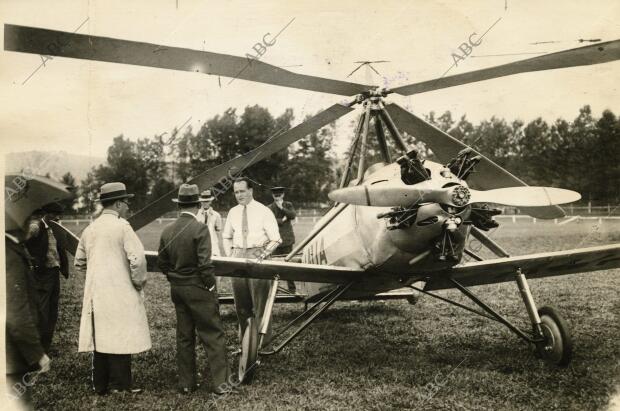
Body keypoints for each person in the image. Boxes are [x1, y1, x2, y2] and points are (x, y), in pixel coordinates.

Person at [74, 182, 151, 395]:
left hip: (96, 294)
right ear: (118, 204)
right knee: (120, 335)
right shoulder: (123, 227)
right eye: (126, 202)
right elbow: (138, 259)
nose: (127, 207)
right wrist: (137, 282)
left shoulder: (90, 229)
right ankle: (120, 385)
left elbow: (79, 262)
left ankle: (100, 384)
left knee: (101, 337)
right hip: (120, 291)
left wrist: (94, 279)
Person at [157, 184, 231, 395]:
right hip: (198, 287)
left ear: (179, 205)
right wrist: (210, 285)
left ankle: (187, 383)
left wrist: (173, 277)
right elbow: (205, 265)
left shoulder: (167, 230)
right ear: (199, 205)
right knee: (212, 334)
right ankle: (221, 384)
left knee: (184, 336)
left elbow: (162, 262)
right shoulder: (200, 228)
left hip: (178, 288)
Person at [222, 177, 281, 343]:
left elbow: (276, 239)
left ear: (251, 191)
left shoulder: (264, 211)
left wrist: (261, 256)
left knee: (261, 306)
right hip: (238, 259)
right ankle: (245, 345)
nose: (239, 195)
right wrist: (230, 256)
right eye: (236, 192)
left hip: (258, 258)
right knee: (241, 306)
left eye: (242, 191)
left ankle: (264, 346)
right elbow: (226, 236)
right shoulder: (233, 212)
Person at [6, 228, 51, 407]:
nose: (34, 226)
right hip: (10, 359)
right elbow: (16, 315)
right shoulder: (10, 254)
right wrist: (37, 354)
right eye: (31, 218)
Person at [25, 202, 70, 353]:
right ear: (47, 214)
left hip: (54, 273)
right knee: (42, 311)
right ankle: (37, 349)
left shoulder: (56, 228)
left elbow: (60, 249)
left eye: (59, 215)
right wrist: (32, 263)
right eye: (55, 215)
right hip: (42, 274)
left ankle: (46, 347)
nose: (57, 218)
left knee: (52, 310)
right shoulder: (36, 227)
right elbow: (20, 244)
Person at [267, 186, 298, 293]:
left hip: (287, 240)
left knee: (289, 265)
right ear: (272, 196)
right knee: (274, 266)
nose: (278, 197)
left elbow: (293, 215)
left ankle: (292, 289)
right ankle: (275, 290)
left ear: (283, 195)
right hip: (275, 240)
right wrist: (282, 220)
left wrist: (281, 208)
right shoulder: (269, 207)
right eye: (275, 196)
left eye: (279, 195)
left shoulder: (288, 205)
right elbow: (269, 221)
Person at [197, 189, 225, 290]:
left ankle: (215, 292)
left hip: (213, 246)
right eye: (203, 201)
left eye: (207, 201)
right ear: (200, 201)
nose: (205, 203)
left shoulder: (216, 215)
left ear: (211, 201)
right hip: (199, 246)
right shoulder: (196, 215)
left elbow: (218, 230)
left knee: (215, 270)